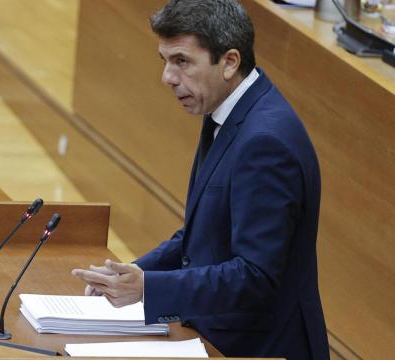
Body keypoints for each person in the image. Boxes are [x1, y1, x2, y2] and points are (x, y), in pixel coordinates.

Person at [71, 0, 329, 358]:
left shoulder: (266, 142)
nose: (168, 78)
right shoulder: (227, 111)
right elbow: (204, 235)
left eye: (182, 61)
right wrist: (134, 272)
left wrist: (148, 289)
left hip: (261, 349)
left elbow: (255, 277)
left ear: (230, 62)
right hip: (220, 336)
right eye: (165, 61)